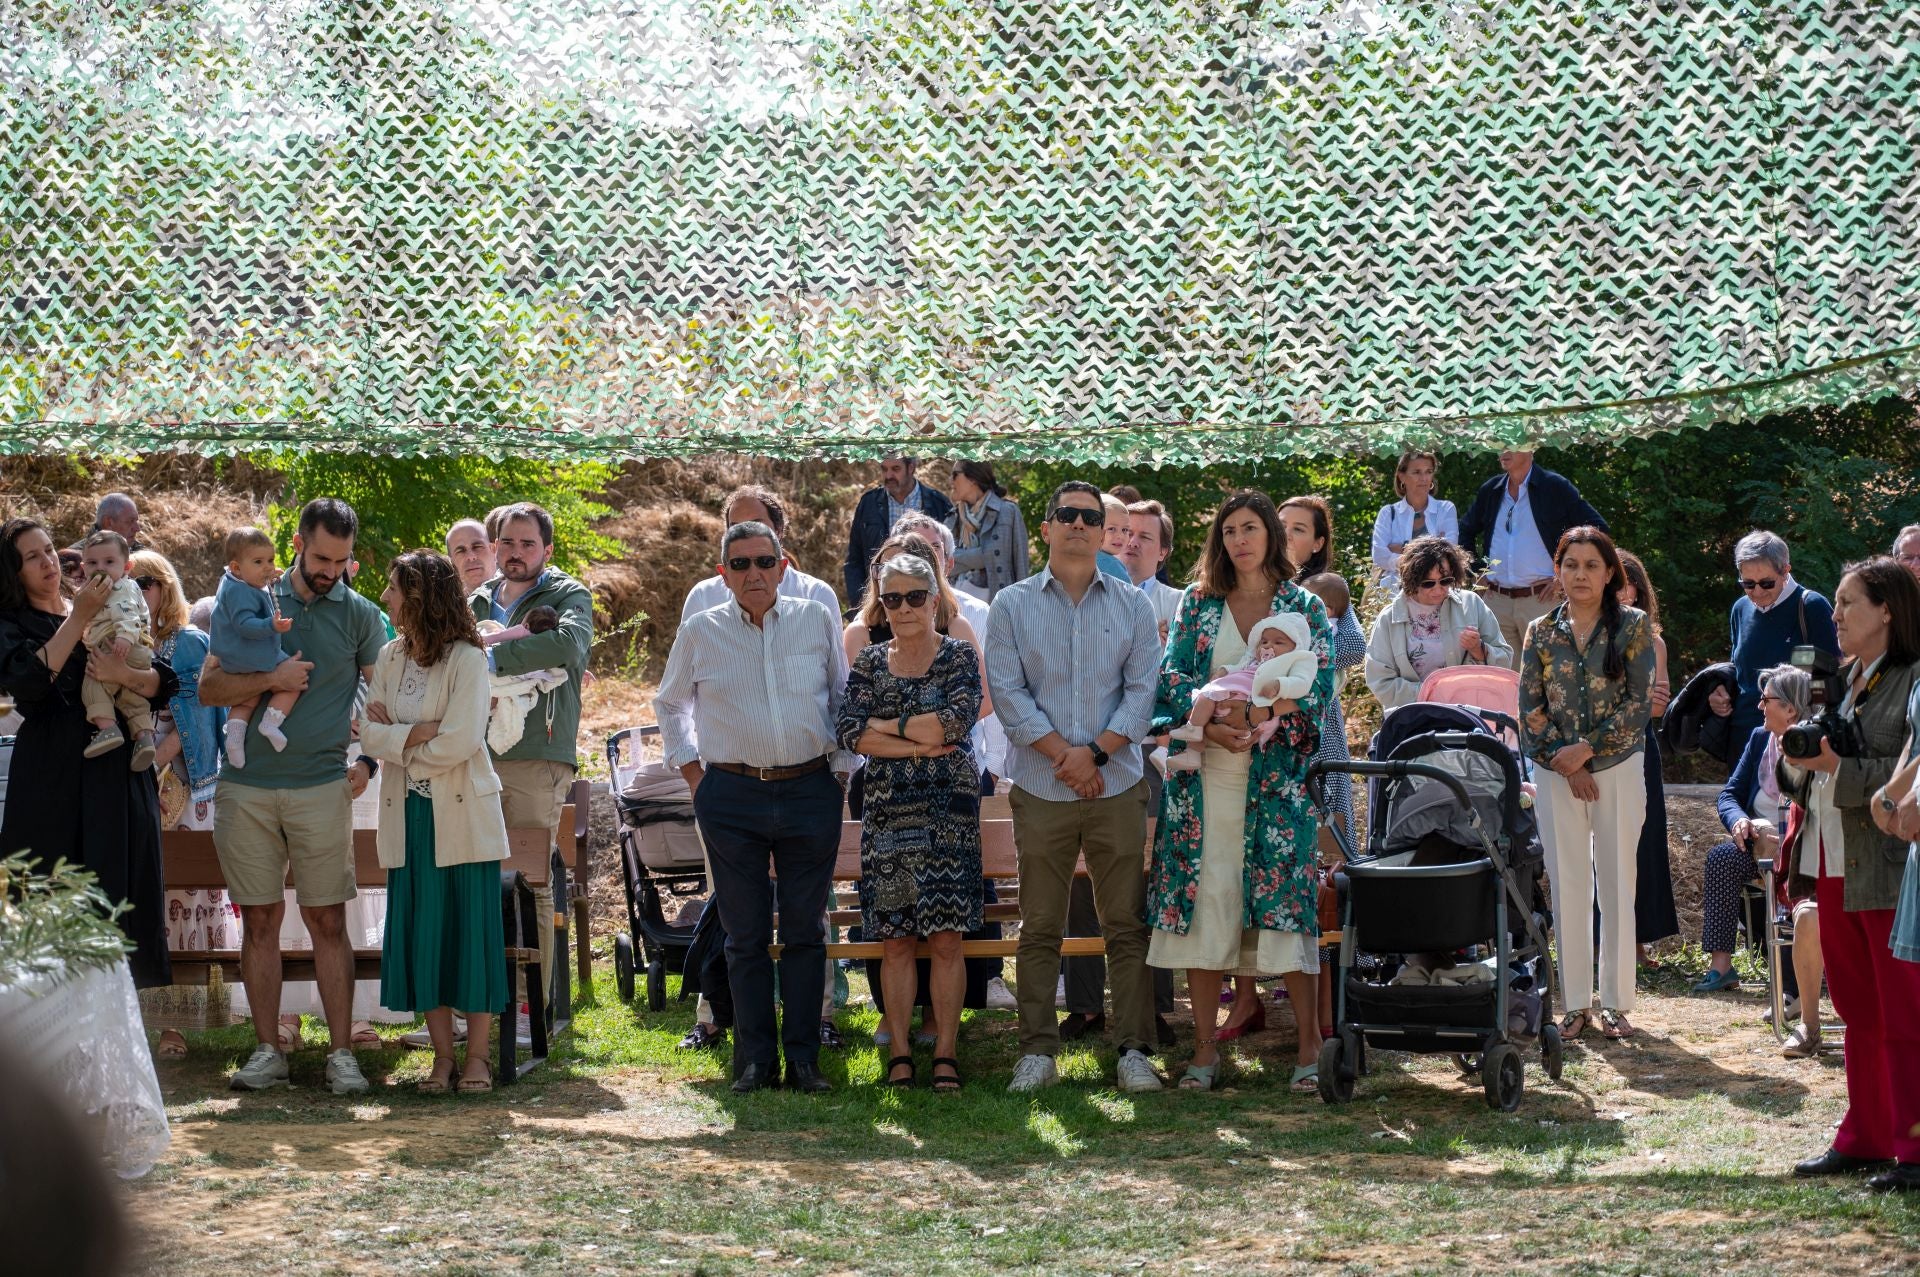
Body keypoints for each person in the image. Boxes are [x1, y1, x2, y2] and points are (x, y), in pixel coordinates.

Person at [197, 497, 385, 1095]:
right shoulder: (251, 596)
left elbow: (384, 703)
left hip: (320, 787)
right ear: (299, 543)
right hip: (246, 789)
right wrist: (270, 681)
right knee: (259, 920)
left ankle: (340, 1055)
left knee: (329, 919)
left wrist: (371, 759)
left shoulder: (361, 616)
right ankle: (266, 1051)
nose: (331, 570)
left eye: (342, 560)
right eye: (322, 556)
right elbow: (207, 688)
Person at [1149, 490, 1336, 1091]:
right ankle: (1204, 1054)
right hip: (1205, 786)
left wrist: (1260, 720)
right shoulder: (1197, 604)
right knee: (1207, 911)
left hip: (1276, 784)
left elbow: (1321, 685)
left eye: (1250, 528)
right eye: (1229, 531)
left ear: (1272, 536)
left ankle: (1309, 1049)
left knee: (1285, 914)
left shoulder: (1301, 604)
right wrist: (1220, 726)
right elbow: (1172, 677)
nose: (1239, 540)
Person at [655, 520, 850, 1094]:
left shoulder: (816, 619)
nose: (753, 573)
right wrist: (696, 776)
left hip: (810, 788)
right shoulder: (701, 630)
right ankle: (755, 1062)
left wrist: (838, 773)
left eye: (764, 562)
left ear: (783, 565)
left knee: (805, 933)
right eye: (739, 564)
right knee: (743, 937)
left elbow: (843, 699)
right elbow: (669, 705)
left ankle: (805, 1060)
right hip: (731, 794)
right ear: (724, 573)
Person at [985, 480, 1163, 1095]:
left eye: (1092, 518)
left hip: (1117, 785)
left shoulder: (1133, 606)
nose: (1080, 525)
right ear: (1047, 527)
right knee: (1039, 926)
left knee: (1125, 925)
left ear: (1104, 531)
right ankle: (1037, 1051)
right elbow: (1008, 696)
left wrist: (1096, 754)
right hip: (1042, 786)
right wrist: (1067, 757)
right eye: (1068, 515)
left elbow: (1143, 691)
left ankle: (1134, 1049)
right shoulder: (1011, 605)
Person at [1784, 558, 1920, 1192]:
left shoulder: (1914, 678)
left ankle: (1914, 1147)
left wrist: (1841, 762)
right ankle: (1865, 1135)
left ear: (1887, 609)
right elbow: (1816, 772)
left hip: (1889, 867)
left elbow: (1909, 774)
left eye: (1848, 604)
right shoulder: (1844, 678)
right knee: (1858, 1009)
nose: (1834, 616)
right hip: (1833, 858)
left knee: (1904, 1013)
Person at [0, 518, 175, 988]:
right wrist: (78, 617)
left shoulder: (112, 599)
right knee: (53, 901)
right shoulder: (14, 623)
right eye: (32, 557)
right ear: (13, 572)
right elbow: (29, 684)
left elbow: (162, 681)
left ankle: (118, 1030)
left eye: (49, 550)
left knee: (119, 901)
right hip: (52, 780)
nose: (48, 561)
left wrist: (124, 677)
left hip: (118, 772)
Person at [362, 550, 510, 1094]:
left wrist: (400, 739)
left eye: (395, 589)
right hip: (409, 816)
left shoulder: (468, 658)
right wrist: (416, 732)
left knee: (470, 935)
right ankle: (441, 1059)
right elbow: (366, 731)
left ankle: (477, 1058)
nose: (386, 598)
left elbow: (463, 738)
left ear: (420, 596)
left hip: (463, 814)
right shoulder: (389, 655)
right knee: (423, 935)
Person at [837, 553, 984, 1091]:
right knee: (895, 939)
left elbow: (956, 719)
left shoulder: (960, 656)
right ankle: (900, 1052)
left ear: (935, 599)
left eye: (915, 597)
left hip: (950, 812)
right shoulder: (870, 663)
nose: (903, 608)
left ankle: (945, 1051)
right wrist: (919, 744)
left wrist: (888, 724)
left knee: (947, 938)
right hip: (888, 812)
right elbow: (851, 732)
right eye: (891, 598)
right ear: (881, 603)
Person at [1518, 526, 1655, 1041]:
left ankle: (1617, 1003)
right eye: (1570, 564)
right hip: (1556, 773)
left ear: (1609, 574)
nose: (1580, 574)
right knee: (1568, 884)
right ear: (1559, 570)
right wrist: (1566, 762)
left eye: (1591, 565)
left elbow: (1639, 703)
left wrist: (1590, 750)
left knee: (1617, 883)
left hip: (1617, 766)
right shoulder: (1540, 631)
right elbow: (1528, 706)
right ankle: (1574, 1004)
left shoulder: (1633, 627)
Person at [468, 503, 593, 1047]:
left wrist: (491, 658)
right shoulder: (474, 599)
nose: (515, 553)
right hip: (471, 751)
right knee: (473, 882)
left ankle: (527, 1010)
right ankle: (473, 1008)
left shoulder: (569, 596)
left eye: (526, 544)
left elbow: (568, 646)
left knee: (529, 880)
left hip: (536, 753)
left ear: (547, 550)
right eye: (506, 543)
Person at [130, 550, 235, 1058]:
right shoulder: (127, 642)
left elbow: (191, 719)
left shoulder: (187, 640)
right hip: (138, 777)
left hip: (181, 783)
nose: (137, 591)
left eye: (145, 581)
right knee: (153, 899)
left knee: (187, 900)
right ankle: (149, 1019)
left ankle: (178, 1025)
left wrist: (152, 768)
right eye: (128, 584)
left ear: (165, 586)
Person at [1692, 666, 1829, 1049]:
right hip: (1757, 847)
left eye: (1766, 700)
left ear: (1790, 708)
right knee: (1721, 858)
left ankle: (1791, 991)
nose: (1759, 706)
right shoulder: (1758, 740)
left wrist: (1784, 837)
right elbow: (1729, 794)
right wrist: (1742, 823)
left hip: (1800, 849)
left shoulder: (1817, 746)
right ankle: (1721, 966)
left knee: (1791, 879)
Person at [1458, 449, 1608, 655]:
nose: (1503, 450)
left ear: (1531, 447)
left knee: (1549, 678)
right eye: (1499, 443)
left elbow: (1597, 530)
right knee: (1504, 680)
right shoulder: (1491, 490)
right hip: (1496, 601)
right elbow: (1465, 531)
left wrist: (1563, 576)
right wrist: (1476, 572)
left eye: (1511, 443)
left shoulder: (1555, 486)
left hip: (1541, 601)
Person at [1277, 496, 1364, 835]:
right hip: (1261, 724)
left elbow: (1354, 647)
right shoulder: (1254, 586)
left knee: (1326, 836)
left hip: (1320, 723)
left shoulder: (1325, 589)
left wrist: (1292, 657)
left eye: (1298, 529)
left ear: (1317, 543)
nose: (1286, 535)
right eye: (1281, 526)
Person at [1363, 536, 1511, 710]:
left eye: (1446, 581)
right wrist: (1434, 694)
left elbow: (1505, 661)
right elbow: (1380, 682)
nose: (1438, 589)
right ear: (1413, 580)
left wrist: (1479, 650)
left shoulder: (1472, 604)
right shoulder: (1389, 619)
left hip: (1471, 715)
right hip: (1414, 720)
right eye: (1428, 583)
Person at [1616, 549, 1678, 961]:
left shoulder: (1653, 641)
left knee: (1642, 843)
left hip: (1640, 748)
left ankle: (1637, 943)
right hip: (1593, 753)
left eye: (1624, 583)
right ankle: (1600, 942)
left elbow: (1656, 707)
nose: (1618, 591)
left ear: (1638, 590)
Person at [1166, 613, 1317, 771]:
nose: (1268, 645)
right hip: (1236, 695)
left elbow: (1303, 683)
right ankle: (1193, 751)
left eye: (1278, 642)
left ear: (1296, 647)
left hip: (1256, 707)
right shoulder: (1253, 660)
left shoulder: (1295, 661)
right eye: (1264, 641)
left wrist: (1279, 685)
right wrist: (1224, 671)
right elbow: (1239, 667)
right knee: (1203, 701)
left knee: (1207, 696)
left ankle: (1193, 728)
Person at [1726, 530, 1838, 743]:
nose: (1757, 592)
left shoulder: (1811, 606)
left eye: (1766, 583)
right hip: (1744, 734)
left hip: (1795, 735)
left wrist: (1816, 728)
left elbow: (1829, 673)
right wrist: (1719, 694)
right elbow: (1739, 672)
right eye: (1748, 584)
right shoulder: (1740, 609)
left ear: (1786, 570)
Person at [210, 527, 301, 767]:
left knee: (246, 700)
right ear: (236, 567)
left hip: (234, 656)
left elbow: (257, 583)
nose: (268, 567)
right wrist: (271, 625)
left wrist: (268, 576)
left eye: (270, 560)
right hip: (249, 652)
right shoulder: (239, 592)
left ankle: (235, 740)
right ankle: (271, 722)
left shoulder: (234, 581)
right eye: (259, 562)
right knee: (295, 679)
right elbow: (243, 624)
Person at [682, 484, 838, 620]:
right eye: (736, 527)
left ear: (779, 531)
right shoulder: (703, 598)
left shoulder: (816, 596)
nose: (746, 535)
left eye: (756, 525)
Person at [74, 531, 158, 769]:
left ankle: (107, 728)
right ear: (83, 567)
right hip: (140, 651)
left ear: (127, 566)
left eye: (109, 562)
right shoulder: (106, 588)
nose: (100, 568)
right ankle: (144, 739)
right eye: (92, 563)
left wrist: (123, 637)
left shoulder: (120, 588)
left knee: (93, 685)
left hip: (117, 644)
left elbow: (126, 613)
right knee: (132, 699)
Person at [843, 455, 953, 606]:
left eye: (895, 469)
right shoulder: (869, 504)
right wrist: (860, 605)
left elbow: (949, 554)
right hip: (881, 601)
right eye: (884, 469)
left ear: (911, 468)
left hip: (927, 600)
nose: (888, 476)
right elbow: (854, 560)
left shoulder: (938, 503)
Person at [1369, 450, 1459, 593]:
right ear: (1401, 476)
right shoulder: (1388, 512)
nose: (1424, 478)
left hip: (1437, 592)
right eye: (1417, 472)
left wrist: (1403, 549)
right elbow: (1379, 556)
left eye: (1428, 471)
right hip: (1394, 592)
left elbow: (1450, 552)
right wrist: (1432, 550)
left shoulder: (1446, 509)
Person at [945, 460, 1029, 600]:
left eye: (954, 475)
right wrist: (981, 556)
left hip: (1000, 607)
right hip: (960, 605)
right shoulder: (953, 517)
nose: (950, 480)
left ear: (972, 479)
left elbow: (1021, 567)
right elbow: (943, 563)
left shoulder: (1007, 512)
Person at [1120, 499, 1185, 638]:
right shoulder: (1091, 593)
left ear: (1163, 552)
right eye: (1128, 533)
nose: (1132, 543)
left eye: (1144, 537)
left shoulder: (1179, 603)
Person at [445, 518, 497, 593]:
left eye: (477, 547)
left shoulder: (518, 597)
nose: (471, 557)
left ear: (494, 550)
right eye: (460, 551)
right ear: (450, 561)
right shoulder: (443, 604)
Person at [1095, 493, 1132, 581]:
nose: (1120, 536)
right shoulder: (1112, 566)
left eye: (1125, 530)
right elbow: (1130, 594)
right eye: (1111, 529)